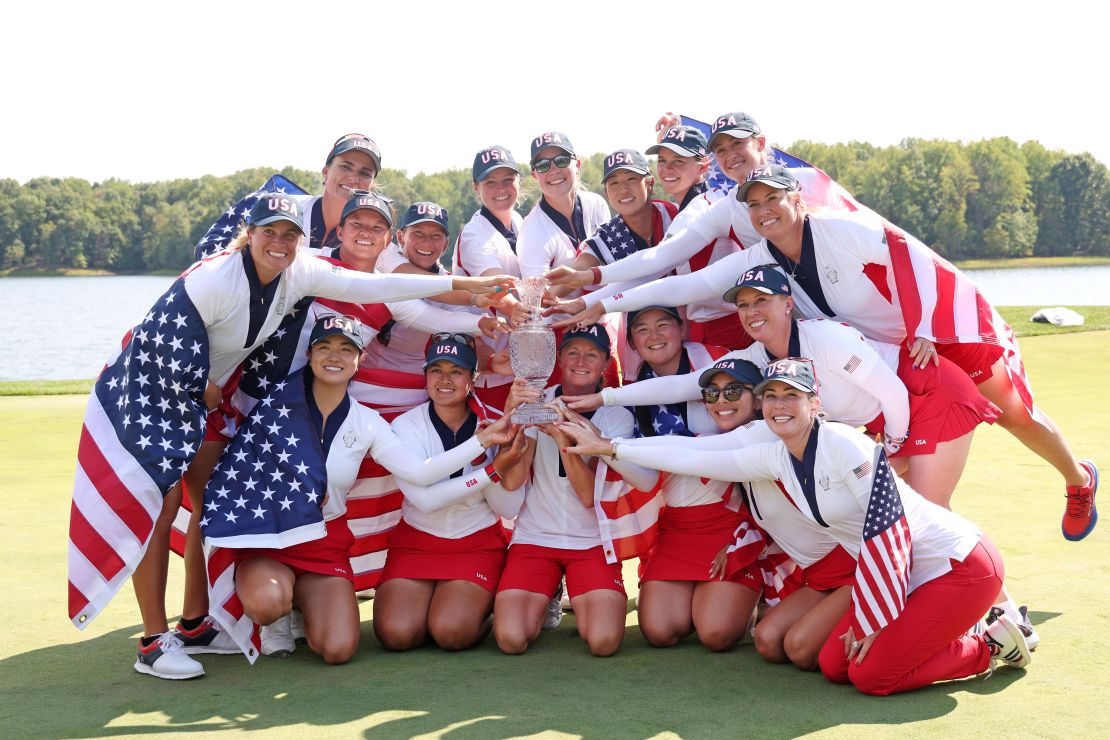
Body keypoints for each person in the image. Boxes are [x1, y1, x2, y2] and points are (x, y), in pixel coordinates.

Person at [553, 165, 1099, 543]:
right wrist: (596, 298)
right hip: (885, 359)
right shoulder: (761, 260)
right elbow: (675, 284)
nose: (764, 210)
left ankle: (1077, 482)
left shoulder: (840, 227)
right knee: (902, 502)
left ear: (797, 198)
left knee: (1016, 416)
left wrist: (927, 326)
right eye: (754, 203)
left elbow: (911, 254)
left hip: (931, 335)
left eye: (774, 198)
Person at [118, 194, 510, 680]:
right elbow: (180, 326)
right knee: (197, 504)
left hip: (294, 406)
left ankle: (223, 619)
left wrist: (480, 314)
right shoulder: (303, 265)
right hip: (239, 399)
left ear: (388, 238)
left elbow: (420, 308)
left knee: (332, 632)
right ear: (336, 231)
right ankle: (179, 628)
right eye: (355, 222)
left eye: (376, 225)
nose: (365, 232)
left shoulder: (368, 285)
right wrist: (201, 382)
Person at [559, 359, 1034, 695]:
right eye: (771, 397)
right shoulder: (773, 455)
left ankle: (986, 646)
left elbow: (887, 534)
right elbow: (690, 455)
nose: (778, 405)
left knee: (870, 677)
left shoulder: (845, 445)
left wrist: (875, 618)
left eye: (791, 396)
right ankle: (928, 634)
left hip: (956, 565)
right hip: (901, 575)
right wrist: (611, 449)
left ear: (814, 402)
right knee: (833, 665)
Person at [205, 316, 518, 664]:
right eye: (325, 347)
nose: (334, 356)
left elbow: (419, 472)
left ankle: (302, 606)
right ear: (309, 354)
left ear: (360, 359)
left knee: (341, 650)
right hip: (274, 539)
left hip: (324, 546)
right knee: (274, 605)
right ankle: (276, 617)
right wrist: (486, 458)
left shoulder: (368, 421)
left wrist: (486, 448)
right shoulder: (275, 405)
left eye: (345, 349)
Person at [492, 325, 659, 656]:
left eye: (592, 354)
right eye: (572, 352)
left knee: (603, 642)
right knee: (511, 639)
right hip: (536, 538)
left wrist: (561, 436)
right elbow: (512, 481)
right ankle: (548, 591)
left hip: (593, 541)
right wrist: (516, 420)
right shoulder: (537, 399)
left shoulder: (615, 415)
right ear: (558, 358)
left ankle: (565, 589)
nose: (581, 361)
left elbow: (587, 497)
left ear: (605, 364)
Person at [373, 334, 528, 651]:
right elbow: (425, 502)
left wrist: (503, 454)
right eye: (436, 370)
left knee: (450, 632)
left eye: (456, 371)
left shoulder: (496, 424)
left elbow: (508, 508)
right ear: (425, 375)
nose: (445, 380)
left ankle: (494, 603)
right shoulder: (405, 426)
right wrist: (489, 467)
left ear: (474, 378)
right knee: (396, 634)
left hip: (475, 541)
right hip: (417, 541)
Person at [359, 200, 509, 373]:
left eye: (436, 236)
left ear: (445, 245)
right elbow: (411, 279)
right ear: (400, 237)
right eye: (418, 233)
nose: (427, 243)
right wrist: (474, 295)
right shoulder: (384, 253)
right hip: (360, 373)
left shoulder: (453, 291)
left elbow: (469, 338)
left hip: (410, 383)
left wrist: (490, 362)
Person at [452, 145, 527, 411]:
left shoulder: (519, 221)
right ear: (476, 187)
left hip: (520, 360)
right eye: (490, 182)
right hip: (490, 367)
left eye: (508, 180)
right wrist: (517, 306)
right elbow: (496, 286)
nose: (501, 189)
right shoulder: (476, 234)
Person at [517, 131, 610, 283]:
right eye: (543, 165)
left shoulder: (597, 204)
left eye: (561, 160)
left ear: (577, 164)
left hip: (608, 302)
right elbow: (538, 300)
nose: (553, 170)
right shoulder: (531, 231)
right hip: (564, 306)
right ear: (534, 174)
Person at [303, 133, 383, 252]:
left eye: (364, 173)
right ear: (326, 172)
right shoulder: (292, 209)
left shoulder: (373, 238)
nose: (354, 179)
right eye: (346, 167)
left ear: (371, 184)